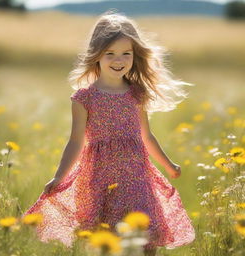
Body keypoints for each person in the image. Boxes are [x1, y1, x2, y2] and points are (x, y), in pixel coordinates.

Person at [22, 10, 196, 256]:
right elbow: (75, 141)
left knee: (144, 233)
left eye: (126, 53)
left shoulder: (136, 94)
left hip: (137, 176)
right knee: (108, 239)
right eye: (110, 53)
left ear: (135, 56)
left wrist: (168, 165)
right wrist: (59, 176)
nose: (119, 60)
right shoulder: (84, 98)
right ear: (96, 56)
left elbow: (146, 136)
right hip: (99, 179)